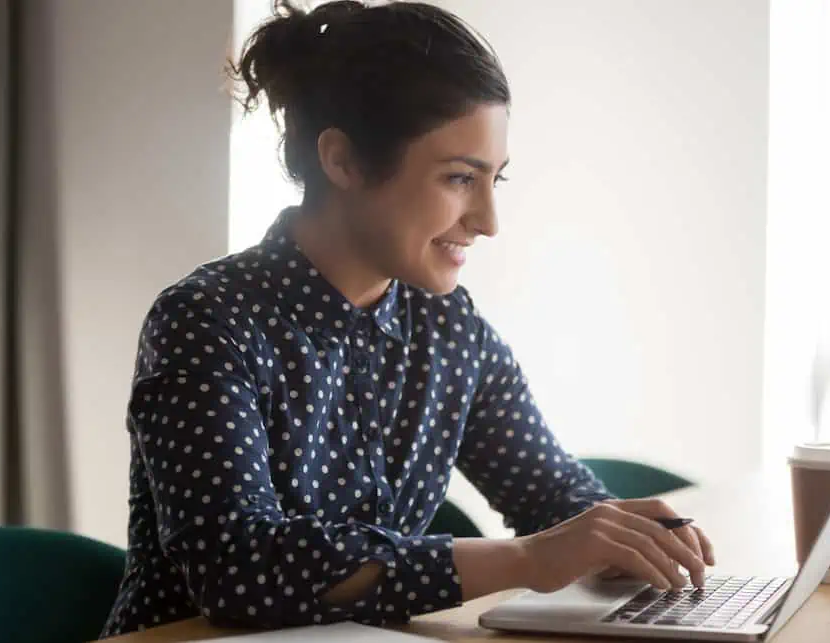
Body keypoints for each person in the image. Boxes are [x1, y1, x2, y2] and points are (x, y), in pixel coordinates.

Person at [100, 0, 715, 637]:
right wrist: (528, 560)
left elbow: (550, 494)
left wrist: (635, 536)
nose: (487, 221)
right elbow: (240, 569)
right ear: (343, 161)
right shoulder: (207, 321)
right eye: (458, 179)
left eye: (493, 181)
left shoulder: (448, 328)